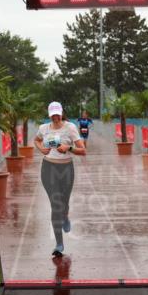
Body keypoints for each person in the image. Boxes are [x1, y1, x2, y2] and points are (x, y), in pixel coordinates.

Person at [34, 102, 86, 257]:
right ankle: (59, 243)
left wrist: (68, 148)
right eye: (53, 114)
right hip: (48, 169)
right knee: (55, 204)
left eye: (58, 114)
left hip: (66, 169)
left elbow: (83, 150)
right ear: (49, 114)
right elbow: (36, 140)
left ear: (62, 113)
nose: (55, 117)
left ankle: (65, 215)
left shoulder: (70, 127)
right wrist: (41, 148)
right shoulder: (43, 128)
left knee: (64, 203)